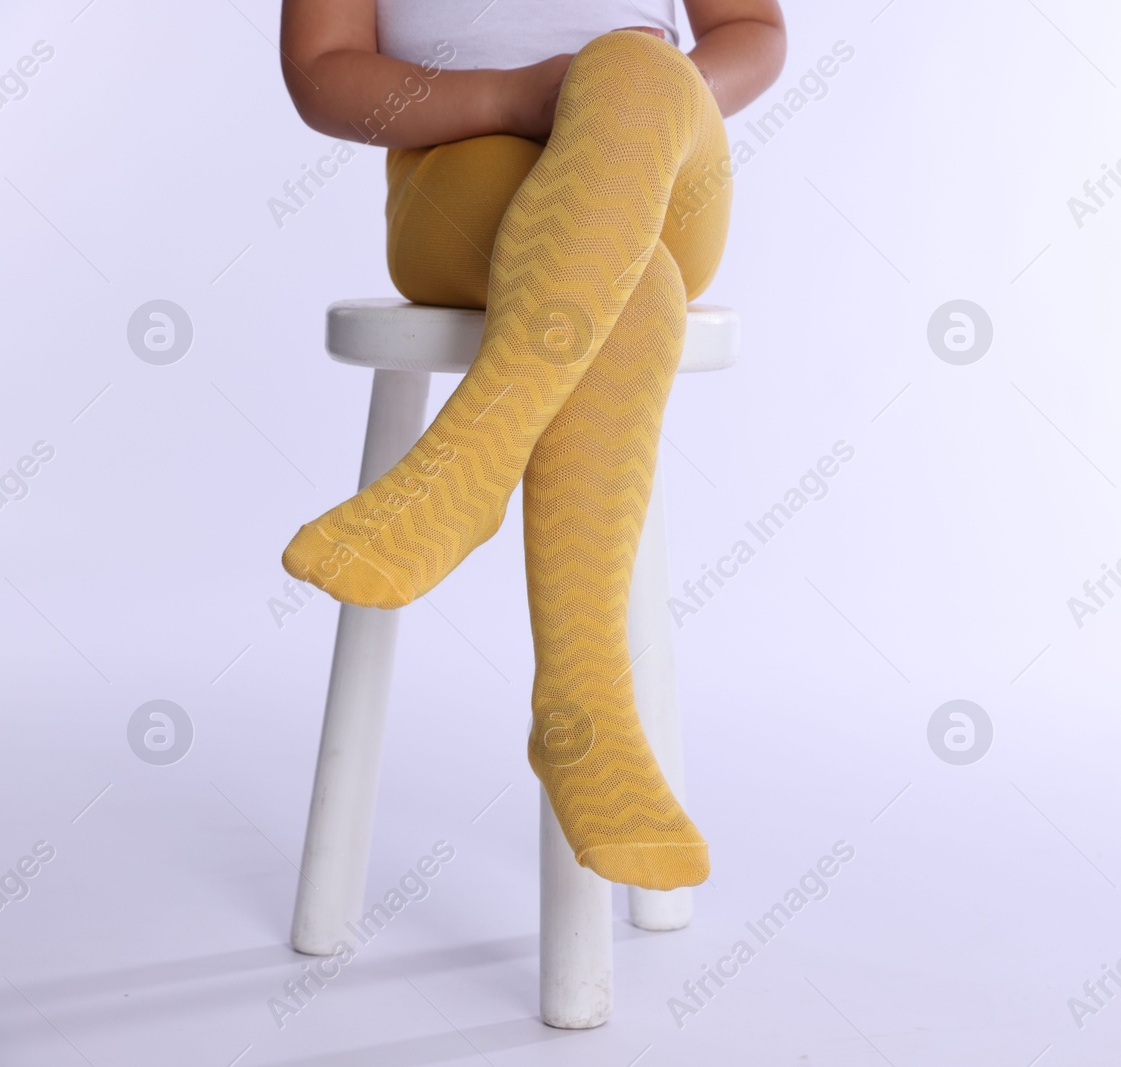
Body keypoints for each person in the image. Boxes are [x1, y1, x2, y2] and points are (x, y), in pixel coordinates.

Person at [277, 0, 785, 891]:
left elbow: (754, 28)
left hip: (665, 170)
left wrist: (628, 103)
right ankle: (583, 716)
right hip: (456, 177)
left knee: (628, 67)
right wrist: (513, 98)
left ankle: (469, 466)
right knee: (627, 284)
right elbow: (322, 69)